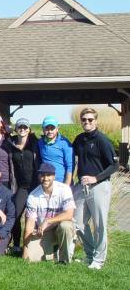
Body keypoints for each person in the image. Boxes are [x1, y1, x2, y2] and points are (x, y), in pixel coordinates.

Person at [72, 108, 118, 269]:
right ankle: (90, 255)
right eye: (84, 119)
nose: (87, 122)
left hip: (99, 186)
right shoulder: (79, 139)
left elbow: (115, 165)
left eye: (90, 119)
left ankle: (99, 260)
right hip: (82, 186)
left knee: (99, 225)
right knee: (77, 223)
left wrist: (96, 178)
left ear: (96, 121)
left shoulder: (102, 140)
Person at [22, 163, 75, 263]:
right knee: (32, 258)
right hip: (44, 232)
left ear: (54, 176)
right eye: (42, 175)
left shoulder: (64, 189)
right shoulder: (33, 196)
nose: (45, 178)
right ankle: (53, 251)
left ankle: (64, 261)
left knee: (65, 226)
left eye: (48, 175)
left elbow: (69, 214)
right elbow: (29, 226)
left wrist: (48, 221)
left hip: (62, 227)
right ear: (38, 176)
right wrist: (25, 250)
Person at [9, 118, 39, 256]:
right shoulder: (11, 144)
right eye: (20, 127)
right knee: (15, 214)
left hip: (35, 186)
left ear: (29, 129)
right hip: (21, 187)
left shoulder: (35, 144)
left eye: (25, 127)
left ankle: (36, 245)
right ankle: (16, 244)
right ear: (16, 129)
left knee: (36, 216)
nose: (22, 129)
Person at [37, 116, 73, 185]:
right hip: (46, 182)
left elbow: (69, 166)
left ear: (57, 129)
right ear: (43, 129)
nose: (50, 131)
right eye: (47, 128)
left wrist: (66, 186)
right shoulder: (40, 142)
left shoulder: (65, 143)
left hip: (61, 182)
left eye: (52, 128)